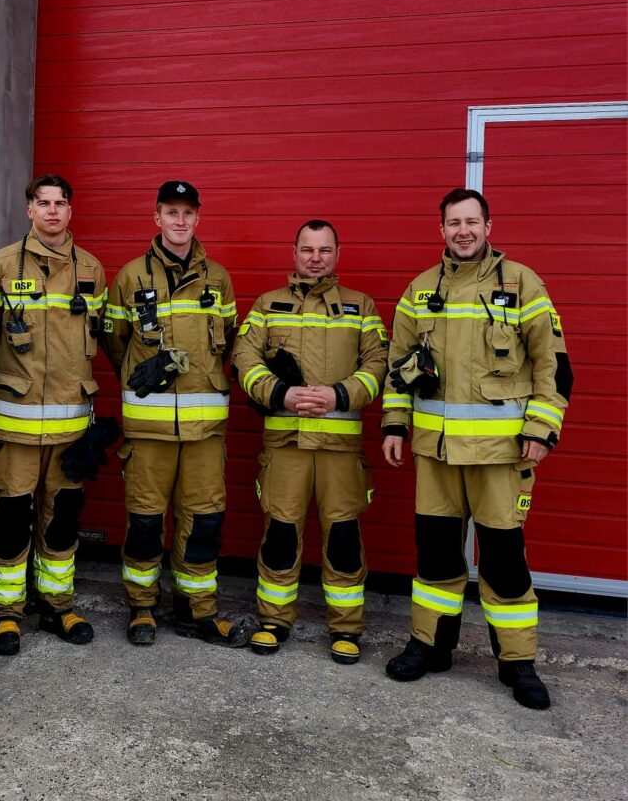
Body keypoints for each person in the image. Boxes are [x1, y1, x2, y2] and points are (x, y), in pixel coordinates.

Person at [382, 188, 572, 710]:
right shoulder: (419, 290)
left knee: (505, 561)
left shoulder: (523, 283)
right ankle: (429, 646)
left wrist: (540, 429)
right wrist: (394, 425)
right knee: (437, 558)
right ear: (439, 229)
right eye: (452, 223)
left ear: (489, 226)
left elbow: (554, 364)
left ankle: (517, 663)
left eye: (471, 221)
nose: (462, 231)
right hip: (436, 455)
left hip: (499, 455)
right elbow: (397, 369)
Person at [231, 220, 388, 663]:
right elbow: (243, 357)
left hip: (341, 451)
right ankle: (274, 620)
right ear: (294, 252)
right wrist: (281, 393)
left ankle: (346, 628)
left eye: (323, 249)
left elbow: (379, 363)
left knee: (343, 539)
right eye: (307, 249)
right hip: (284, 447)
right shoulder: (267, 305)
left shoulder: (361, 306)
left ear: (338, 253)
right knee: (280, 535)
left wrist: (338, 394)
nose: (315, 257)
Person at [0, 174, 107, 655]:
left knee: (62, 519)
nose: (51, 211)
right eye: (42, 203)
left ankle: (58, 604)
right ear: (29, 210)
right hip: (13, 432)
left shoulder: (92, 269)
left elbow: (103, 340)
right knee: (10, 519)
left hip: (70, 433)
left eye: (60, 203)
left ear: (71, 211)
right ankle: (6, 614)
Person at [103, 181, 245, 647]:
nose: (180, 221)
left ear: (198, 219)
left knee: (203, 522)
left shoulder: (218, 278)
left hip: (205, 432)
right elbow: (115, 344)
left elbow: (226, 336)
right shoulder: (129, 277)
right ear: (156, 217)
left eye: (188, 213)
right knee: (145, 522)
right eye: (171, 212)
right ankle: (141, 608)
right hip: (148, 430)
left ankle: (196, 610)